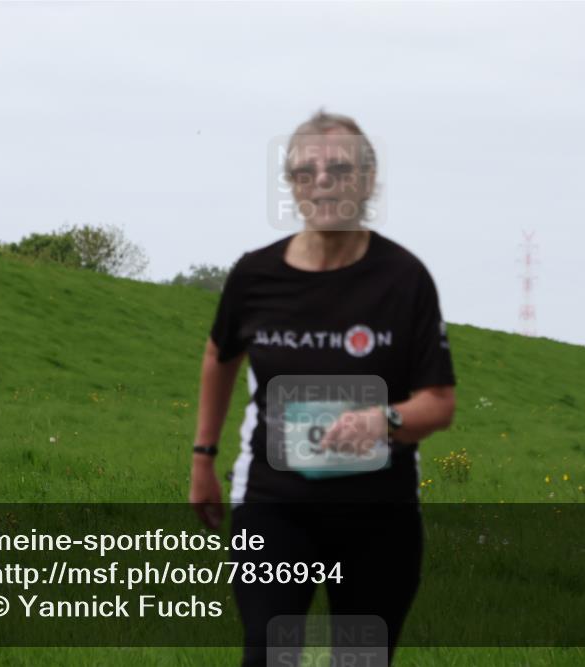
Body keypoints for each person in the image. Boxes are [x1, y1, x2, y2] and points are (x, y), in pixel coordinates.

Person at [188, 109, 456, 666]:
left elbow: (439, 403)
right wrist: (203, 457)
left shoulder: (404, 280)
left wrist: (382, 422)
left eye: (340, 168)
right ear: (291, 185)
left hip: (377, 517)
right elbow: (220, 353)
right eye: (305, 172)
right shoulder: (255, 276)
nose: (323, 181)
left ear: (369, 180)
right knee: (269, 653)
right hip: (272, 505)